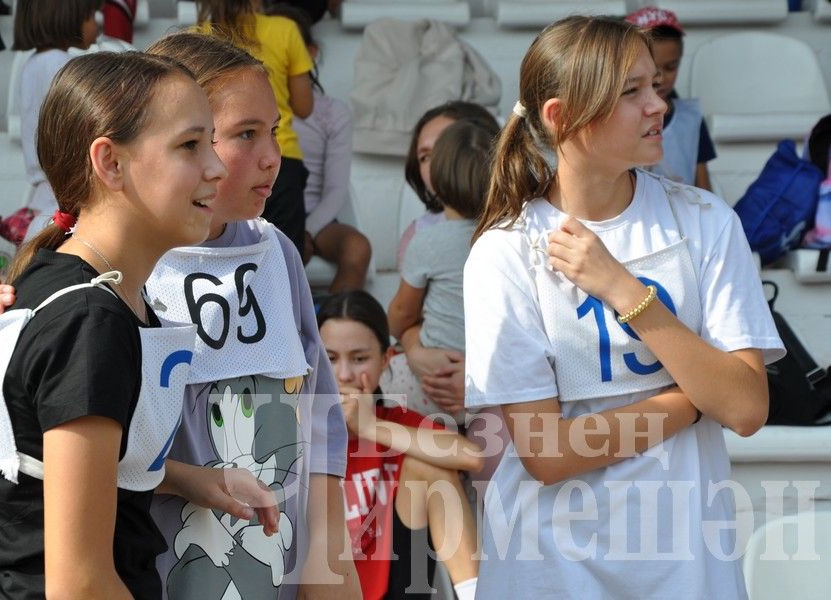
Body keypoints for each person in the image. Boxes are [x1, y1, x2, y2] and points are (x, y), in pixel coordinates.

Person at [464, 15, 783, 598]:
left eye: (656, 86)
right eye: (631, 92)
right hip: (549, 571)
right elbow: (548, 454)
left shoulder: (708, 223)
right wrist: (692, 401)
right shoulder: (505, 252)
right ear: (562, 117)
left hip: (688, 568)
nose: (658, 105)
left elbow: (744, 407)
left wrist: (625, 291)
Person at [0, 51, 236, 598]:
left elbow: (50, 455)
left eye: (211, 142)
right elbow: (79, 582)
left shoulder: (62, 283)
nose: (217, 167)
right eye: (190, 145)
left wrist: (185, 477)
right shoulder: (89, 324)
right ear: (110, 163)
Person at [143, 32, 358, 599]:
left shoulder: (275, 252)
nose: (273, 156)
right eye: (245, 134)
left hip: (271, 569)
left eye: (274, 130)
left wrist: (328, 564)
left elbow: (318, 416)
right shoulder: (129, 265)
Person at [317, 290, 481, 600]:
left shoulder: (391, 420)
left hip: (396, 587)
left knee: (431, 467)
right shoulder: (296, 424)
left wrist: (370, 426)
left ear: (386, 359)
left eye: (360, 358)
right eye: (330, 359)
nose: (344, 374)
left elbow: (471, 456)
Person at [392, 103, 500, 416]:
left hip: (434, 385)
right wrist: (413, 349)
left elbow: (401, 313)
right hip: (502, 394)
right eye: (424, 155)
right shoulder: (515, 235)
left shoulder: (427, 243)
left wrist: (410, 345)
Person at [194, 0, 315, 255]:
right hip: (286, 163)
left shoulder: (196, 37)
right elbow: (305, 106)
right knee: (281, 253)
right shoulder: (286, 30)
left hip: (226, 161)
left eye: (273, 128)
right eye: (246, 132)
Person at [271, 3, 372, 293]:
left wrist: (307, 230)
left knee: (357, 248)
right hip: (269, 215)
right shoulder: (255, 113)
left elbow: (336, 191)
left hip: (318, 219)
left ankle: (333, 330)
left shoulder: (333, 113)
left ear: (310, 53)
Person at [5, 0, 102, 245]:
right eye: (90, 14)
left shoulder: (32, 64)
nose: (97, 22)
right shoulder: (63, 65)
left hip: (43, 194)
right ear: (66, 16)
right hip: (63, 194)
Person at [625, 6, 716, 190]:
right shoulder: (619, 119)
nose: (661, 78)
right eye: (652, 69)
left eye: (671, 67)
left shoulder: (691, 119)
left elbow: (703, 188)